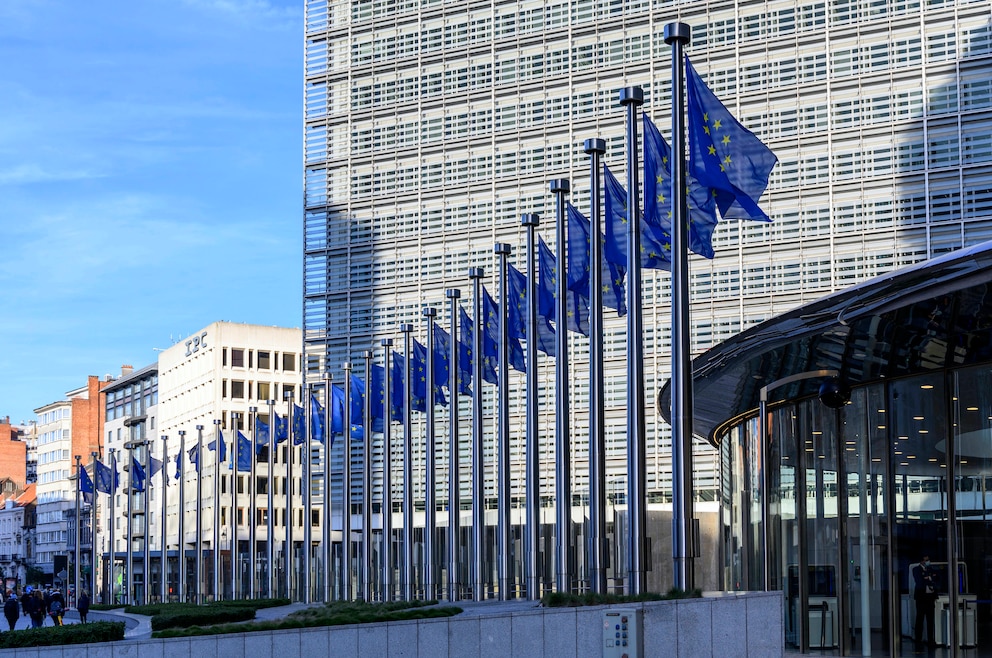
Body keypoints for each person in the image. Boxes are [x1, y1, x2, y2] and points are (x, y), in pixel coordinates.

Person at [913, 554, 938, 647]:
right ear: (921, 561)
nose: (927, 561)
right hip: (921, 598)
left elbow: (936, 577)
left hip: (930, 597)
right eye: (925, 560)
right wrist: (929, 578)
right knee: (920, 618)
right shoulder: (916, 569)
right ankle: (918, 638)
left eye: (928, 559)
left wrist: (928, 577)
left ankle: (930, 639)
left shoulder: (930, 569)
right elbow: (919, 581)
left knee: (930, 619)